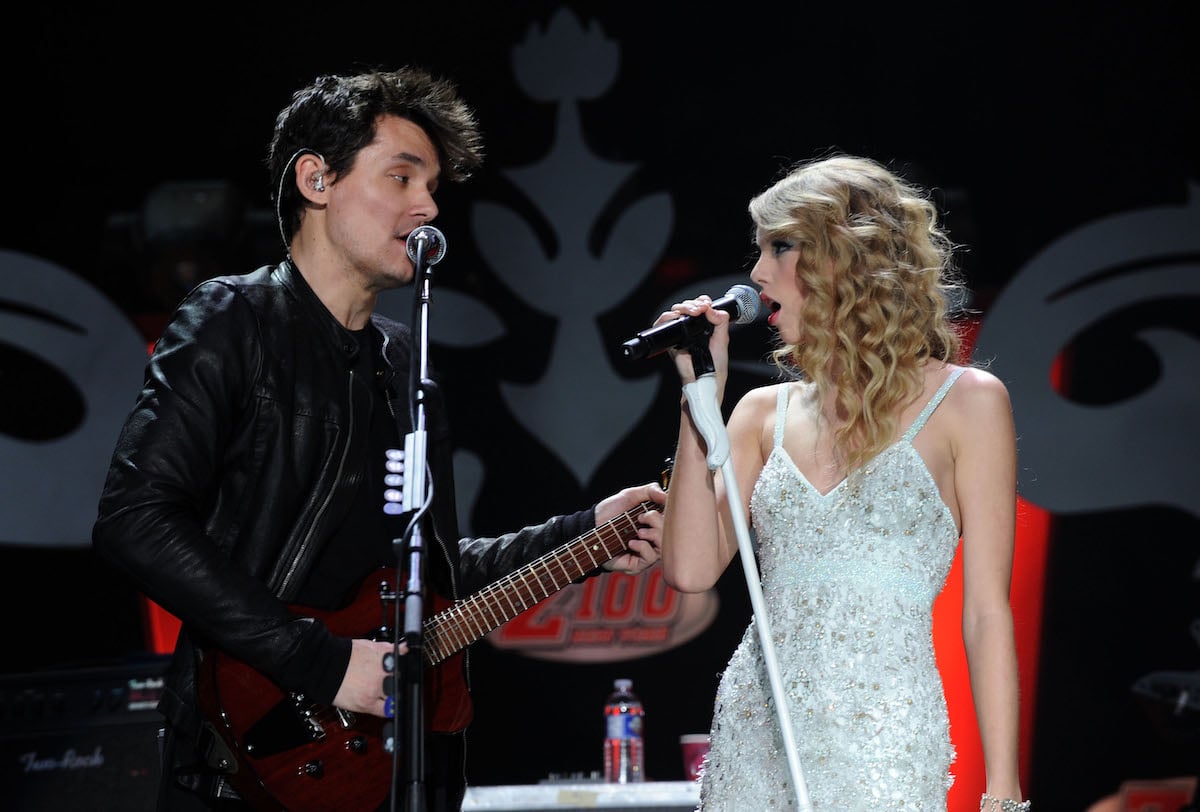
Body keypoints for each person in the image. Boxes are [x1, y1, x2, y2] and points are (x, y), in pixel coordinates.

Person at [92, 66, 666, 812]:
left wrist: (582, 534)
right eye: (401, 177)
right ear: (316, 179)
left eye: (431, 187)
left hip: (388, 767)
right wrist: (321, 662)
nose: (426, 206)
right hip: (249, 759)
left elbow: (425, 575)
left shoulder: (402, 362)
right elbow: (135, 517)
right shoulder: (234, 318)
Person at [654, 155, 1026, 810]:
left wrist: (1003, 790)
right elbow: (689, 569)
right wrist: (698, 398)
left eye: (780, 247)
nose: (757, 275)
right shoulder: (759, 414)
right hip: (756, 734)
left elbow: (987, 611)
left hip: (886, 740)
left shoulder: (970, 403)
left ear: (842, 259)